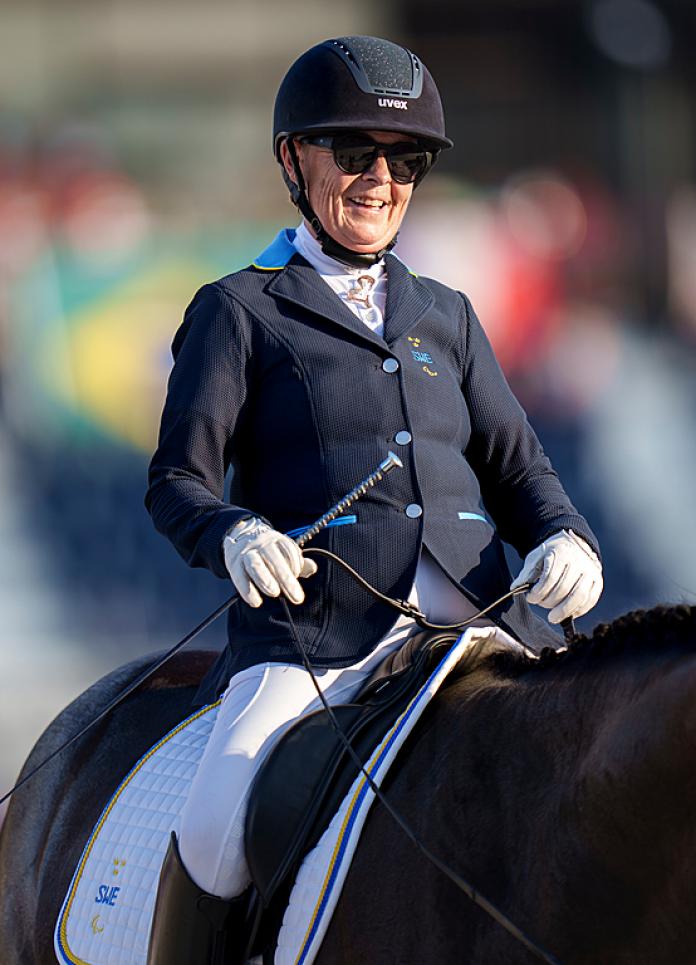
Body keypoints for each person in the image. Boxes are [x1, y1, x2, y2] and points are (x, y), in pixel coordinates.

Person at [144, 35, 603, 965]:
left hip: (479, 629)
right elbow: (177, 482)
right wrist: (234, 533)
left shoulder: (449, 314)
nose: (381, 180)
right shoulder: (241, 310)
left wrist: (566, 537)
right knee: (217, 828)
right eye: (354, 155)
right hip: (322, 643)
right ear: (293, 160)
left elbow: (521, 471)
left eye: (406, 161)